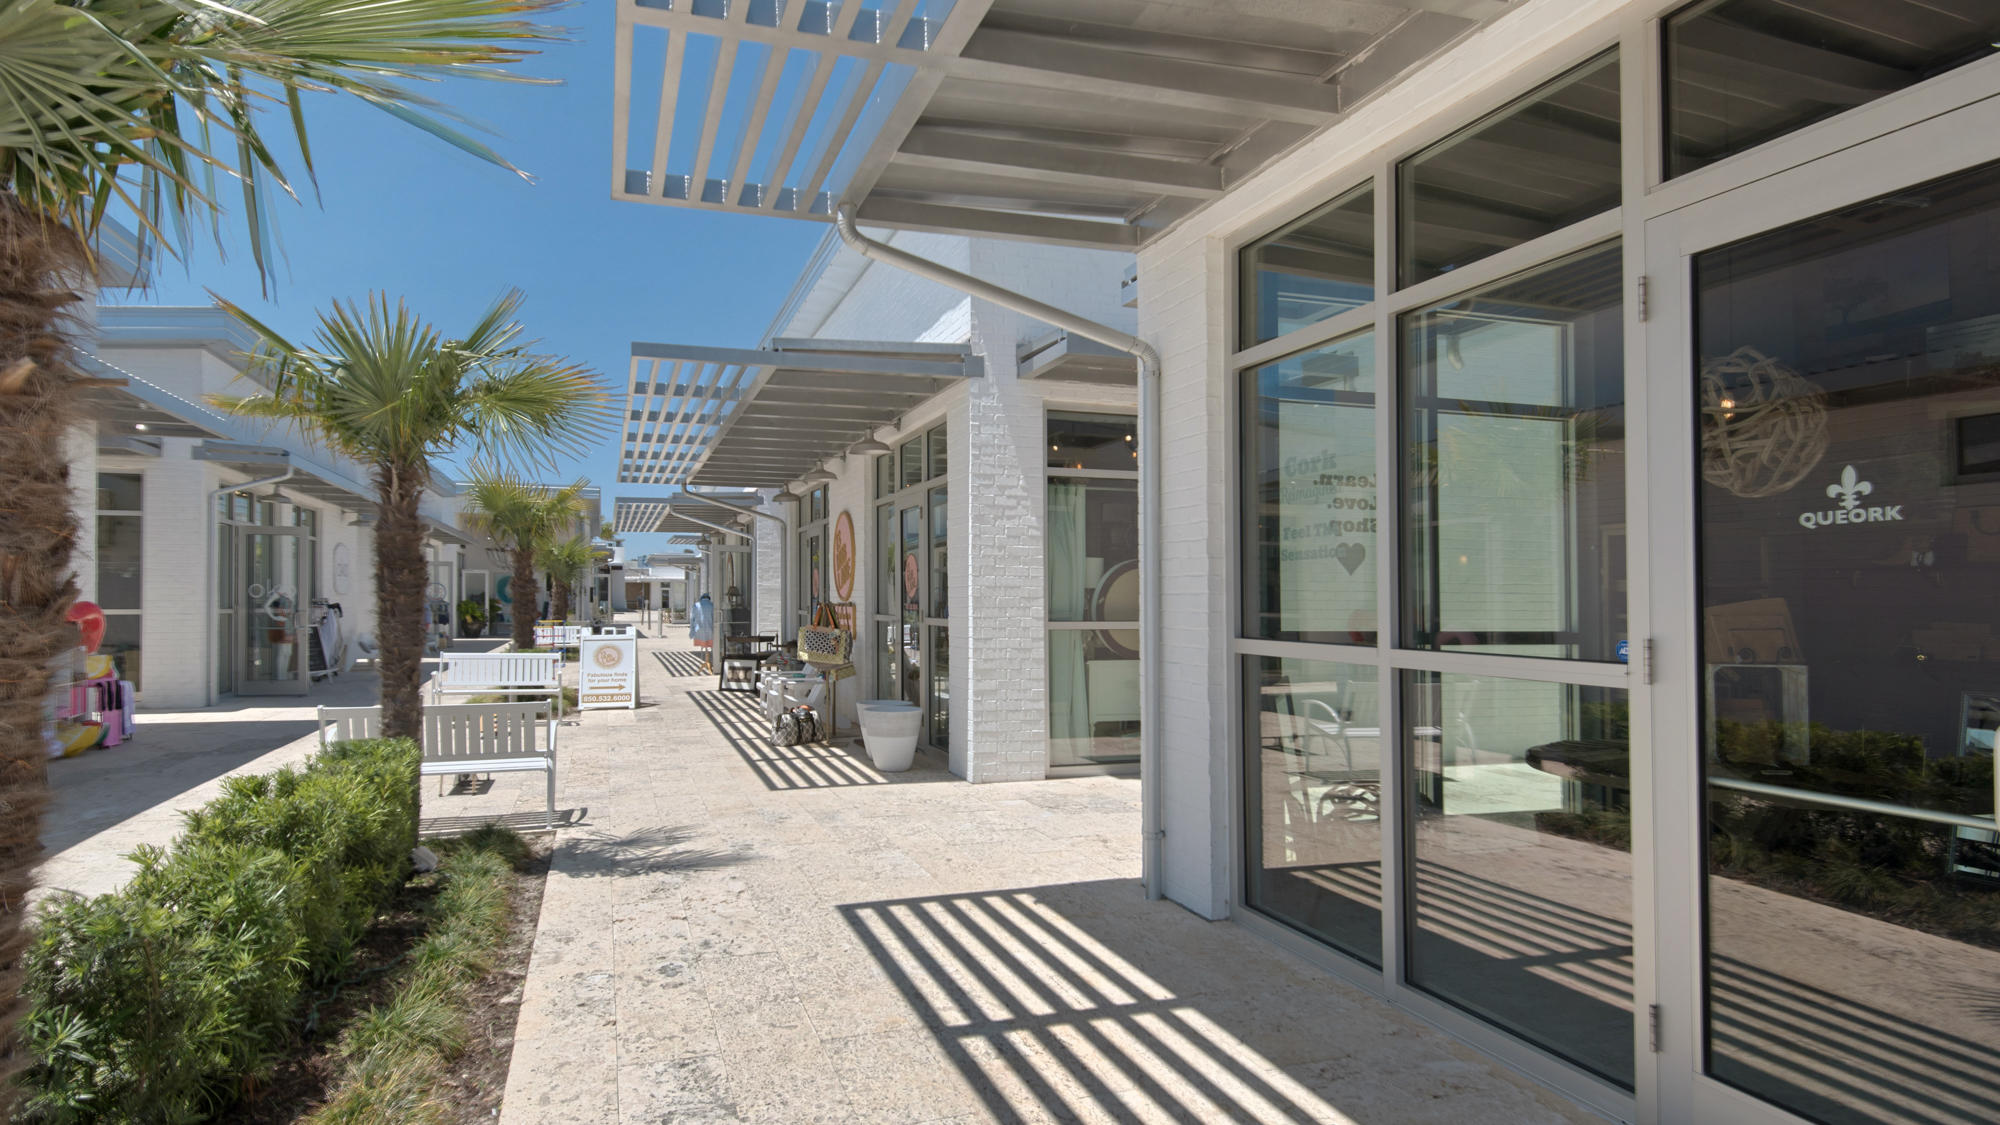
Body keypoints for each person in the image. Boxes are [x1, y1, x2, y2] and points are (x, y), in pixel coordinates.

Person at [689, 593, 714, 670]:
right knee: (708, 645)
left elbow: (692, 619)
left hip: (699, 630)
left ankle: (705, 660)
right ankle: (707, 661)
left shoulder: (696, 605)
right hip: (710, 630)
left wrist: (692, 631)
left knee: (703, 646)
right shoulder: (712, 605)